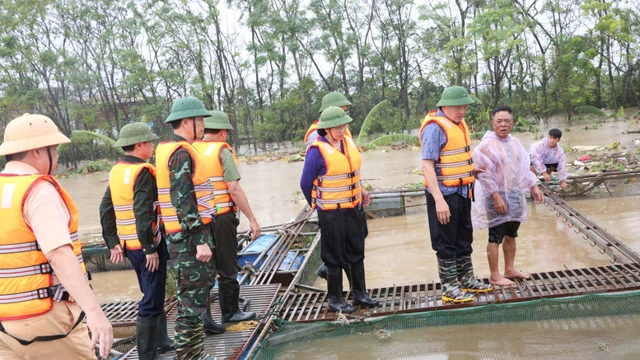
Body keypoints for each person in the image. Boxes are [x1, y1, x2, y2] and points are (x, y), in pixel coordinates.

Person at [0, 113, 112, 359]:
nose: (58, 155)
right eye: (54, 148)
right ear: (38, 151)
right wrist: (94, 313)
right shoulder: (37, 189)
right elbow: (59, 254)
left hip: (4, 327)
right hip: (44, 320)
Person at [99, 122, 174, 359]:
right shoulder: (142, 172)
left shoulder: (117, 170)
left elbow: (105, 208)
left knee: (155, 291)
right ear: (139, 145)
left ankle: (161, 340)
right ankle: (148, 353)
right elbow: (143, 211)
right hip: (147, 246)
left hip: (129, 246)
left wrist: (112, 241)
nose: (152, 147)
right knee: (151, 299)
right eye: (149, 142)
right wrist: (150, 247)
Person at [155, 96, 219, 359]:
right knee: (190, 307)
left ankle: (194, 355)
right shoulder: (181, 153)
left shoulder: (173, 150)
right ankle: (190, 356)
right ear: (186, 122)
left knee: (193, 303)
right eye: (200, 120)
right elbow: (184, 200)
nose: (204, 124)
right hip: (188, 241)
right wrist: (200, 240)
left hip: (183, 239)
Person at [300, 106, 379, 313]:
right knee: (334, 255)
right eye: (338, 126)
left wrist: (360, 191)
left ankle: (360, 293)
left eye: (344, 125)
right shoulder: (317, 151)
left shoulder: (347, 143)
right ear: (326, 129)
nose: (343, 130)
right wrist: (317, 204)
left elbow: (354, 171)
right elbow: (306, 183)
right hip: (331, 211)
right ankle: (335, 300)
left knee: (356, 249)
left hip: (353, 207)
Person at [419, 86, 492, 304]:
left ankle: (467, 279)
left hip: (462, 190)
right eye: (458, 107)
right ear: (445, 105)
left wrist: (470, 171)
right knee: (445, 240)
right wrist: (439, 201)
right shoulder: (435, 128)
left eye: (465, 107)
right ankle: (450, 286)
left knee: (463, 236)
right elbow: (427, 166)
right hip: (443, 194)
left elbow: (453, 158)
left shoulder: (458, 125)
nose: (462, 111)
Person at [193, 111, 258, 324]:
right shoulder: (222, 151)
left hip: (197, 220)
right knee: (227, 267)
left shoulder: (189, 149)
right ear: (222, 132)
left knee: (204, 268)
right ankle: (230, 313)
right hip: (220, 218)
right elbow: (233, 188)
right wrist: (252, 218)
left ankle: (206, 318)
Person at [472, 106, 545, 286]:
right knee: (495, 236)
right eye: (499, 121)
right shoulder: (486, 145)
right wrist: (496, 196)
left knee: (512, 234)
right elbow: (484, 175)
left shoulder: (515, 143)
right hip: (496, 196)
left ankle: (510, 269)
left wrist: (533, 187)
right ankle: (495, 275)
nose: (503, 125)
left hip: (515, 194)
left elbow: (524, 168)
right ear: (492, 123)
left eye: (507, 121)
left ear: (512, 123)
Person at [305, 91, 353, 281]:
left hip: (348, 200)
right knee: (335, 246)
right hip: (330, 202)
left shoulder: (343, 131)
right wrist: (316, 203)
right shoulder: (317, 137)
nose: (344, 114)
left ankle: (356, 290)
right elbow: (309, 175)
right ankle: (337, 290)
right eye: (341, 110)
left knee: (352, 242)